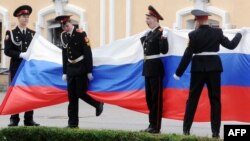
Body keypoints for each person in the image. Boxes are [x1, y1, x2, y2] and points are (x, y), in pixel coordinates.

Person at [173, 9, 245, 138]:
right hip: (214, 69)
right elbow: (231, 45)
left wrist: (178, 73)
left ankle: (186, 130)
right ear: (207, 19)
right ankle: (215, 132)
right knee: (215, 101)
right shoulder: (217, 32)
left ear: (198, 20)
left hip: (198, 69)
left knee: (192, 100)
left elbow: (187, 55)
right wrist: (240, 33)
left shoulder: (193, 35)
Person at [55, 15, 104, 128]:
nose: (66, 29)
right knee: (71, 97)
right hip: (70, 68)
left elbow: (87, 53)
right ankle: (72, 124)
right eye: (64, 27)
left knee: (80, 93)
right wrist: (64, 72)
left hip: (81, 67)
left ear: (70, 23)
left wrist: (89, 71)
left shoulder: (81, 34)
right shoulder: (63, 35)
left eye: (67, 26)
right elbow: (64, 54)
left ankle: (97, 104)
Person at [4, 5, 40, 126]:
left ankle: (29, 119)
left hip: (29, 68)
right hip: (16, 67)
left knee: (30, 92)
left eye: (27, 16)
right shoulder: (11, 33)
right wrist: (20, 54)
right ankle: (14, 119)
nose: (26, 18)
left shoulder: (32, 34)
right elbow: (7, 51)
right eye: (23, 16)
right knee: (16, 92)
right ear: (18, 18)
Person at [140, 5, 169, 134]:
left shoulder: (160, 32)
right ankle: (151, 124)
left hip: (156, 68)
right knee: (148, 98)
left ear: (155, 19)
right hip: (148, 68)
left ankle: (156, 127)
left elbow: (164, 50)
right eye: (146, 19)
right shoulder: (150, 33)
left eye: (149, 18)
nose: (147, 21)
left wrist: (164, 38)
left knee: (155, 99)